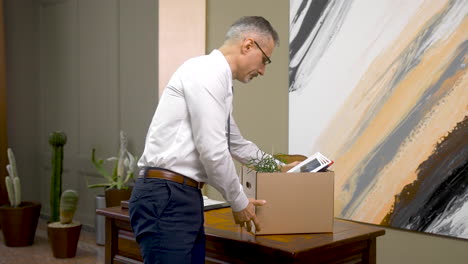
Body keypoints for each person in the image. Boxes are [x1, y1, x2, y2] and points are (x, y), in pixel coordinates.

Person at [129, 16, 292, 264]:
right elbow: (213, 151)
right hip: (166, 195)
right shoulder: (205, 72)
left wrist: (278, 168)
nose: (262, 70)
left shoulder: (219, 82)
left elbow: (235, 143)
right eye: (265, 60)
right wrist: (238, 201)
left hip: (183, 196)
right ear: (248, 45)